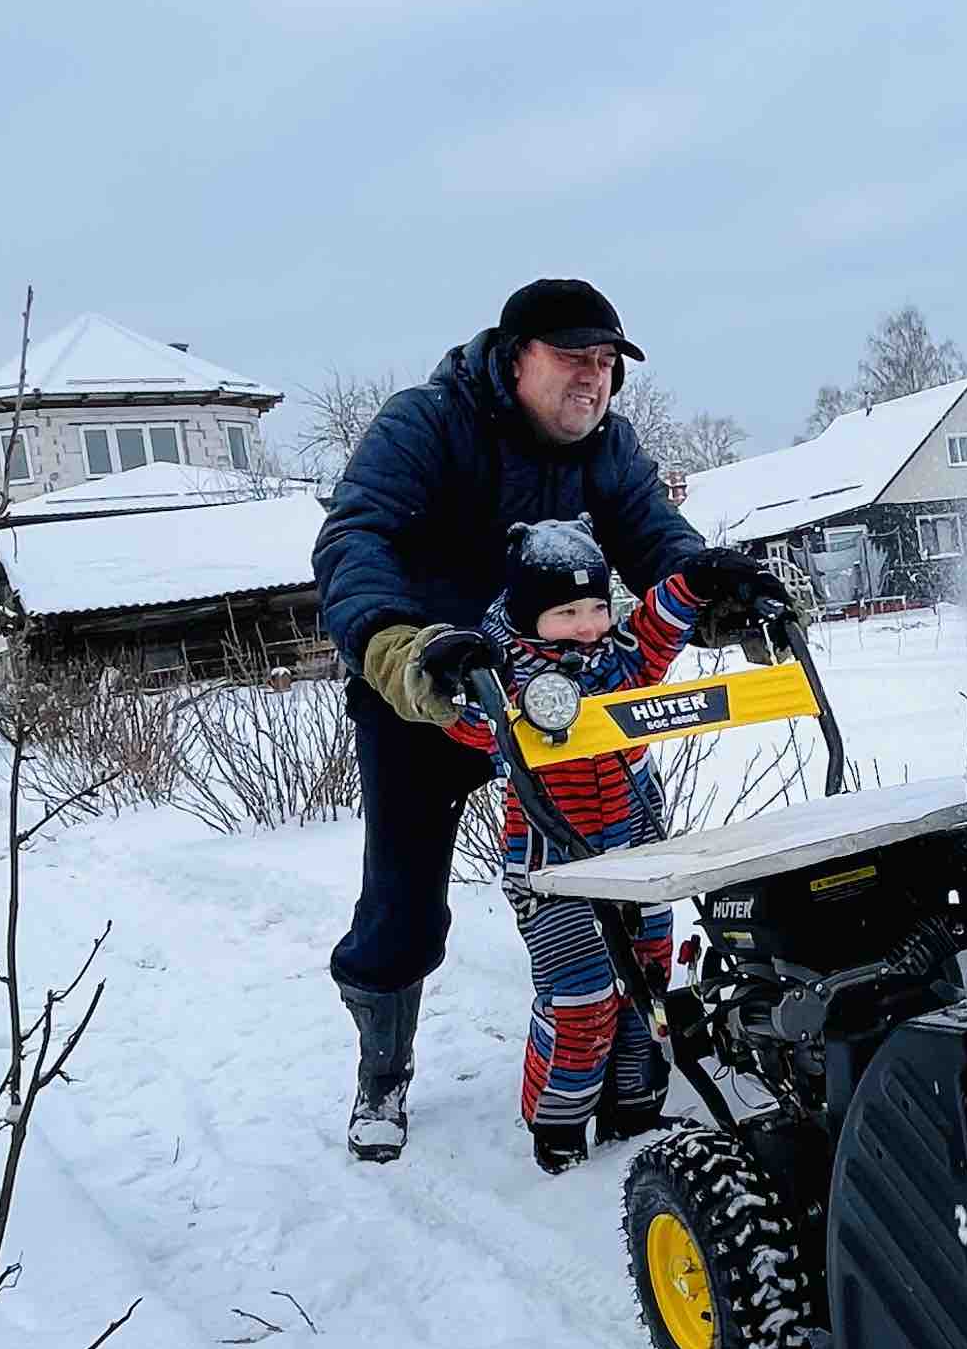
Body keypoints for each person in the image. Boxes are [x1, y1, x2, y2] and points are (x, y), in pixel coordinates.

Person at [309, 279, 770, 1161]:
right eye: (573, 359)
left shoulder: (607, 448)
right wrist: (406, 650)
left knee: (628, 872)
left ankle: (629, 1044)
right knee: (404, 907)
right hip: (434, 689)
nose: (592, 382)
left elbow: (655, 536)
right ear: (514, 357)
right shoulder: (427, 423)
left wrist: (716, 592)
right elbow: (355, 541)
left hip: (568, 704)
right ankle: (382, 1065)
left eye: (606, 365)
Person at [483, 516, 698, 1171]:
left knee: (648, 987)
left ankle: (633, 1107)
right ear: (528, 615)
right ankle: (558, 1124)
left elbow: (657, 630)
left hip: (635, 859)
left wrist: (697, 582)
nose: (588, 623)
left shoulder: (619, 660)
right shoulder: (503, 674)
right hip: (553, 873)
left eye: (598, 606)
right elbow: (468, 726)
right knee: (580, 998)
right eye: (568, 611)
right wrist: (457, 675)